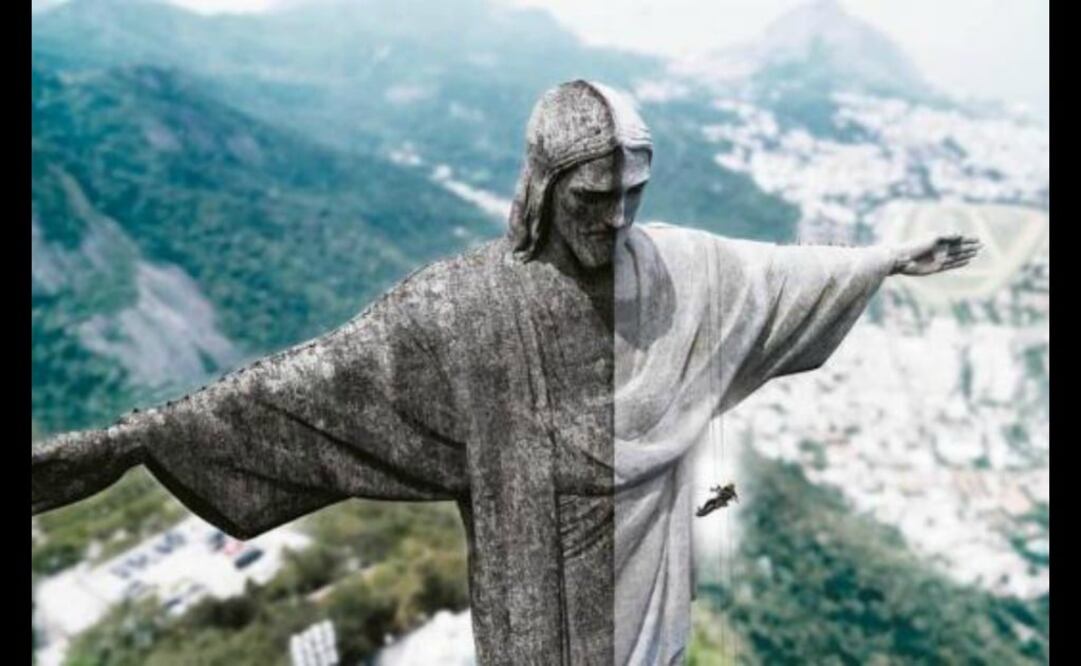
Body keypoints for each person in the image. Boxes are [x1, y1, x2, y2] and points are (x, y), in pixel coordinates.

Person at [31, 80, 980, 665]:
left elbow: (776, 272)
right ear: (543, 187)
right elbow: (300, 387)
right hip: (533, 607)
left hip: (648, 582)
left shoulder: (674, 270)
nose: (614, 222)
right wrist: (130, 440)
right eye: (594, 201)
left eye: (631, 200)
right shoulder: (460, 313)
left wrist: (887, 257)